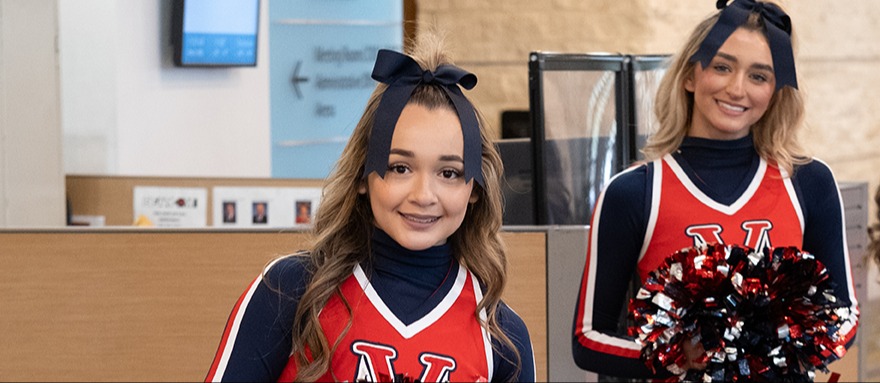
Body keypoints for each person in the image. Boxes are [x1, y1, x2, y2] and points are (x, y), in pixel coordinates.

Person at [205, 32, 535, 382]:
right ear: (363, 176)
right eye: (400, 168)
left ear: (474, 188)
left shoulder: (503, 336)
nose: (424, 195)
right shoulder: (290, 290)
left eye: (449, 173)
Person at [572, 0, 860, 380]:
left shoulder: (808, 181)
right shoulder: (634, 191)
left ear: (775, 90)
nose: (737, 88)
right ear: (691, 75)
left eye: (759, 76)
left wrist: (780, 346)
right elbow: (588, 337)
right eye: (722, 67)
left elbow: (845, 314)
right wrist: (680, 354)